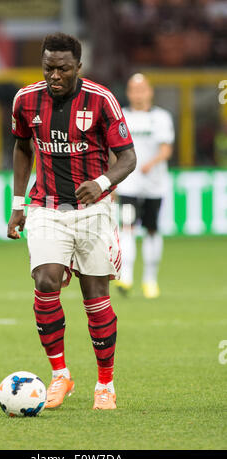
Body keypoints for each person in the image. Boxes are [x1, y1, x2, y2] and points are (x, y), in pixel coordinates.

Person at [7, 33, 136, 410]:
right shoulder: (25, 99)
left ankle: (105, 383)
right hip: (46, 207)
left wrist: (101, 182)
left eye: (63, 69)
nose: (55, 76)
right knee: (45, 279)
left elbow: (127, 158)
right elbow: (22, 145)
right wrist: (18, 204)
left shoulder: (101, 100)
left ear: (78, 66)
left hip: (93, 212)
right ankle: (60, 375)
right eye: (48, 68)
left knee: (94, 295)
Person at [114, 73, 174, 299]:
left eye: (142, 89)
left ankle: (150, 280)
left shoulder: (161, 118)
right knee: (127, 228)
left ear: (149, 91)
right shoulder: (122, 118)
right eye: (133, 90)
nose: (138, 94)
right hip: (129, 186)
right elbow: (114, 151)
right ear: (129, 93)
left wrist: (151, 163)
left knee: (151, 230)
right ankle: (126, 277)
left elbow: (166, 149)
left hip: (154, 186)